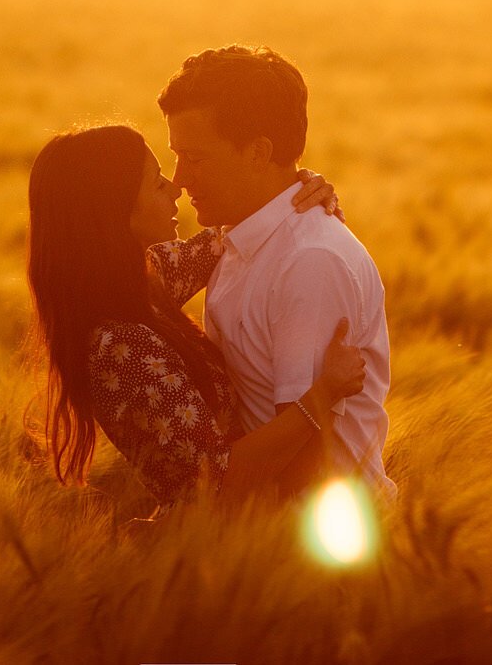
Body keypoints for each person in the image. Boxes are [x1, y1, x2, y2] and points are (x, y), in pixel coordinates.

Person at [26, 122, 364, 510]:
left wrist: (296, 189)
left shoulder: (140, 282)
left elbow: (230, 237)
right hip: (214, 545)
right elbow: (219, 480)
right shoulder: (120, 347)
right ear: (114, 212)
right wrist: (324, 393)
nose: (176, 187)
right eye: (156, 184)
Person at [159, 46, 393, 501]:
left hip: (317, 543)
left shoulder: (309, 263)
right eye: (176, 157)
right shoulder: (236, 240)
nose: (179, 178)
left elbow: (306, 455)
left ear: (258, 152)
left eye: (196, 158)